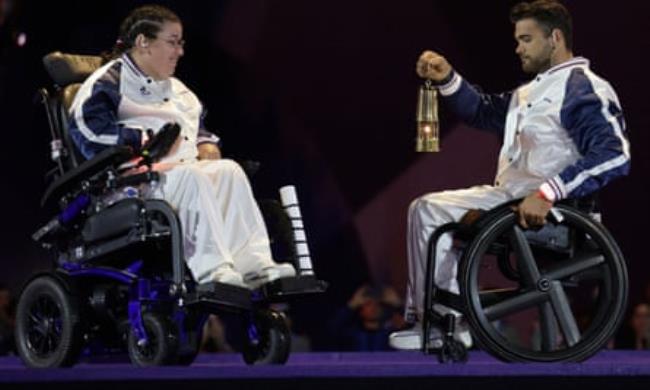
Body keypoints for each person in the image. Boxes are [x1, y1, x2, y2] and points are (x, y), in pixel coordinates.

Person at [390, 0, 630, 350]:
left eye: (526, 39)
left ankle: (444, 320)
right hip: (510, 198)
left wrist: (548, 193)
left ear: (555, 38)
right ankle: (442, 319)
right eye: (518, 39)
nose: (518, 47)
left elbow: (613, 155)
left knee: (429, 209)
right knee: (425, 208)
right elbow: (483, 112)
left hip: (556, 208)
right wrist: (447, 78)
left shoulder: (583, 87)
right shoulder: (529, 92)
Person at [68, 5, 295, 288]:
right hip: (129, 184)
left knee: (229, 171)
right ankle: (214, 272)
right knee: (193, 177)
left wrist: (206, 144)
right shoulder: (107, 83)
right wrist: (140, 139)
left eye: (181, 43)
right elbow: (88, 132)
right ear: (143, 42)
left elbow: (198, 128)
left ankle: (255, 265)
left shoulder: (179, 90)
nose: (180, 52)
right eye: (172, 42)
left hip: (178, 175)